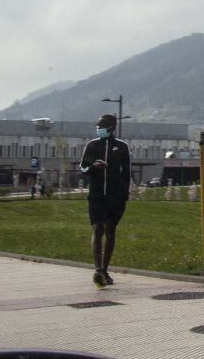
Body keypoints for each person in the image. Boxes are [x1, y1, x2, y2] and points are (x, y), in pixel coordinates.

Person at [79, 113, 131, 288]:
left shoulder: (122, 147)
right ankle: (98, 269)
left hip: (115, 197)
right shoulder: (92, 146)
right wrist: (93, 167)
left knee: (110, 231)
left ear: (111, 127)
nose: (99, 129)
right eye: (97, 126)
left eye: (102, 126)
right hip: (96, 195)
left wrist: (124, 194)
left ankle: (105, 269)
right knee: (98, 228)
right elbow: (83, 168)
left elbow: (127, 173)